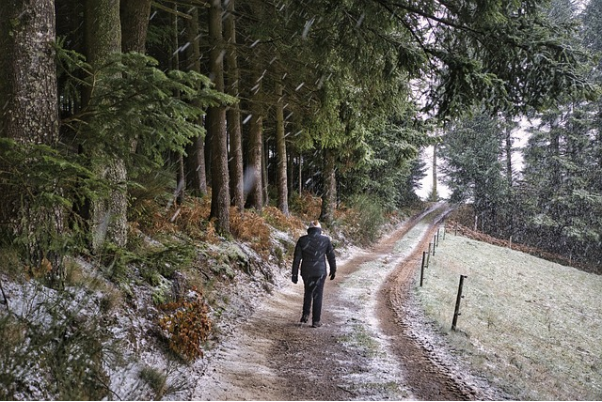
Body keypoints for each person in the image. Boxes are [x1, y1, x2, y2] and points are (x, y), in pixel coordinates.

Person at [291, 220, 336, 328]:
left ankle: (305, 315)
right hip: (320, 271)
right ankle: (316, 321)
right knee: (318, 295)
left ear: (309, 229)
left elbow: (297, 258)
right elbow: (331, 256)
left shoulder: (302, 240)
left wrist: (294, 274)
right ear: (319, 230)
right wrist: (333, 270)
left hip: (307, 271)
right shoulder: (325, 240)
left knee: (308, 292)